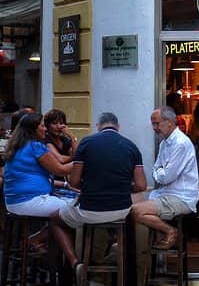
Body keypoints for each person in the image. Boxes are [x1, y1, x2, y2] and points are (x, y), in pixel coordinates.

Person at [51, 112, 146, 275]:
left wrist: (92, 185)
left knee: (55, 220)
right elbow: (141, 185)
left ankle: (75, 264)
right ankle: (114, 247)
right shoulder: (131, 147)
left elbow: (74, 182)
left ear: (98, 126)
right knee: (111, 220)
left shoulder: (87, 143)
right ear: (118, 127)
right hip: (121, 211)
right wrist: (123, 187)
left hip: (89, 210)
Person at [130, 106, 199, 250]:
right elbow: (157, 170)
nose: (154, 128)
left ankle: (170, 232)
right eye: (152, 124)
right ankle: (120, 248)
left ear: (169, 122)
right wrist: (160, 172)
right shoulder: (165, 143)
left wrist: (160, 172)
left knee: (136, 211)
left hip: (180, 198)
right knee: (127, 203)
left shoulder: (180, 143)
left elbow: (165, 177)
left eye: (157, 123)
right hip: (165, 195)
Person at [2, 112, 72, 222]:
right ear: (33, 129)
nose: (45, 129)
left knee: (68, 210)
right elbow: (61, 170)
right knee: (77, 209)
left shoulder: (19, 145)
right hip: (30, 201)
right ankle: (41, 234)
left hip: (15, 202)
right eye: (42, 126)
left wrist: (65, 184)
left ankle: (44, 233)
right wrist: (82, 161)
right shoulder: (35, 146)